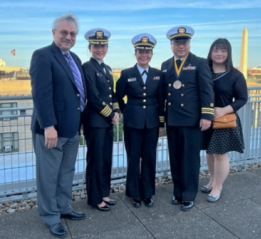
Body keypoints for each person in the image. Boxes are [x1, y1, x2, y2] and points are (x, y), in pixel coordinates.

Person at [30, 13, 86, 238]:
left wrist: (79, 122)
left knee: (66, 173)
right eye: (64, 32)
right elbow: (41, 95)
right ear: (54, 33)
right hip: (52, 131)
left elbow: (77, 93)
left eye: (72, 34)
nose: (68, 37)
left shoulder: (75, 59)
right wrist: (48, 126)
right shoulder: (43, 56)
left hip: (72, 129)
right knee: (49, 176)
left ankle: (64, 207)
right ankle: (50, 216)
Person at [159, 25, 214, 211]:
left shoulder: (200, 63)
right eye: (177, 43)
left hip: (192, 121)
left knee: (190, 160)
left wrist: (207, 115)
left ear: (189, 44)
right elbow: (163, 95)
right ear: (171, 45)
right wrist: (161, 120)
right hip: (173, 120)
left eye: (184, 42)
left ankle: (189, 195)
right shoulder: (166, 65)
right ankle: (178, 192)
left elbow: (207, 91)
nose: (180, 46)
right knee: (175, 158)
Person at [116, 33, 164, 208]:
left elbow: (161, 101)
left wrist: (161, 124)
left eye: (147, 52)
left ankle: (148, 193)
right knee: (134, 158)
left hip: (152, 124)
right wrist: (126, 111)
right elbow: (118, 97)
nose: (144, 55)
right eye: (140, 52)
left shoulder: (158, 74)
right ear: (135, 53)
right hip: (132, 124)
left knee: (150, 158)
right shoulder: (126, 73)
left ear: (152, 54)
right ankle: (134, 193)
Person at [201, 38, 248, 202]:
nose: (219, 53)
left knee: (220, 154)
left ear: (228, 53)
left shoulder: (235, 75)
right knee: (209, 152)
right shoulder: (204, 70)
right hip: (206, 119)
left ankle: (218, 186)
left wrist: (223, 110)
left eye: (223, 50)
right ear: (211, 52)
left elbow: (242, 98)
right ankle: (212, 180)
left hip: (224, 121)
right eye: (216, 50)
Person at [82, 28, 120, 211]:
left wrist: (117, 110)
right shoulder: (87, 67)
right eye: (96, 46)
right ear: (90, 48)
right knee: (95, 160)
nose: (100, 49)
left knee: (106, 159)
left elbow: (111, 95)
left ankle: (104, 193)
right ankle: (95, 198)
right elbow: (94, 97)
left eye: (103, 46)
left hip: (106, 122)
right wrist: (110, 114)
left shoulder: (107, 68)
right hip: (95, 122)